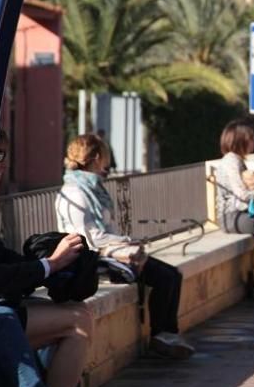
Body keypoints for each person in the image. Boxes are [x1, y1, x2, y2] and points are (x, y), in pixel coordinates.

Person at [0, 131, 108, 387]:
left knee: (16, 331)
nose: (0, 169)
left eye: (4, 157)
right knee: (75, 320)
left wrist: (49, 266)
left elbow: (0, 262)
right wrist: (49, 265)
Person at [56, 134, 195, 360]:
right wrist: (125, 243)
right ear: (97, 158)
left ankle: (167, 333)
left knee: (172, 274)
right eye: (105, 159)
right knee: (165, 277)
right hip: (94, 259)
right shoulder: (76, 193)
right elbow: (88, 239)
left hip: (110, 251)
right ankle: (162, 335)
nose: (108, 166)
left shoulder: (92, 189)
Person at [216, 118, 254, 234]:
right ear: (240, 140)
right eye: (251, 138)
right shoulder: (231, 161)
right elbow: (241, 194)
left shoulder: (237, 160)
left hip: (238, 215)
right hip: (232, 217)